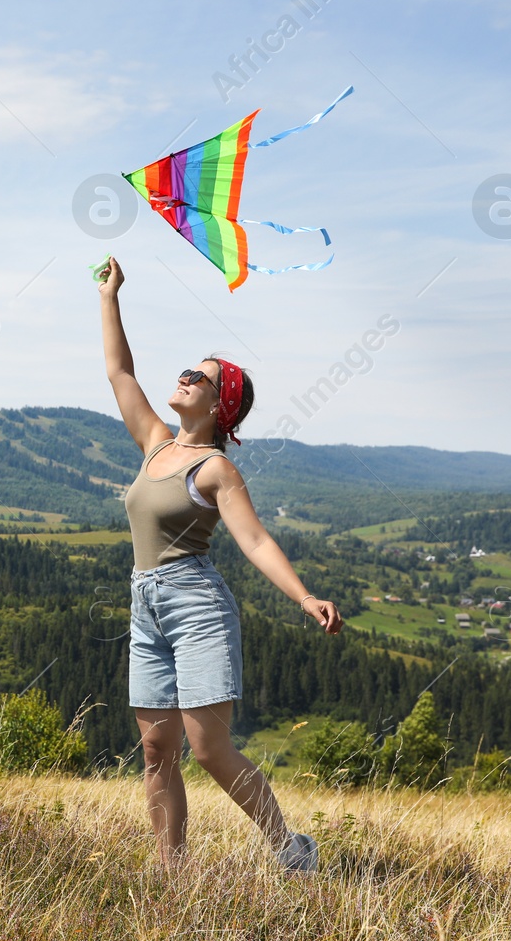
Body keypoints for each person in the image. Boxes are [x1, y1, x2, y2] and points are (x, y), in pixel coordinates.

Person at [96, 255, 342, 873]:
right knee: (156, 750)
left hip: (196, 606)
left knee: (207, 748)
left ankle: (291, 850)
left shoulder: (214, 469)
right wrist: (110, 297)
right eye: (184, 371)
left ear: (219, 404)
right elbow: (119, 371)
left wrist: (304, 597)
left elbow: (255, 541)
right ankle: (171, 876)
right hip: (144, 603)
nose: (181, 378)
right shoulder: (156, 442)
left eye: (196, 377)